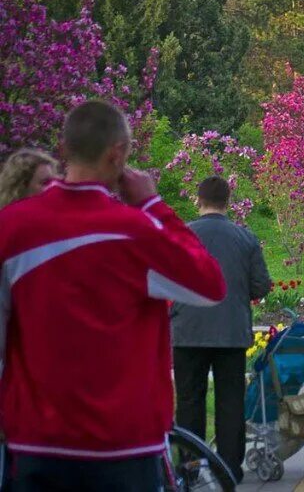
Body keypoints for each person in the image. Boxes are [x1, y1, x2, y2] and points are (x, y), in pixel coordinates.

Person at [0, 100, 225, 491]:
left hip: (36, 443)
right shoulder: (135, 232)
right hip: (124, 445)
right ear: (118, 154)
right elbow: (208, 284)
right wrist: (154, 204)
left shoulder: (11, 227)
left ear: (63, 148)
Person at [172, 175, 271, 482]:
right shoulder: (246, 238)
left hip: (188, 331)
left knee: (189, 399)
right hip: (231, 331)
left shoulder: (181, 235)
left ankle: (190, 466)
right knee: (230, 399)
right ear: (229, 202)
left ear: (198, 200)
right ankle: (229, 467)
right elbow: (260, 285)